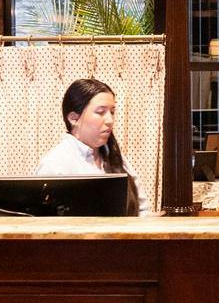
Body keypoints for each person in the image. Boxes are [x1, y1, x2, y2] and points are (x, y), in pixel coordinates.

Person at [36, 77, 144, 214]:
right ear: (73, 118)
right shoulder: (55, 164)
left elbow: (142, 209)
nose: (110, 120)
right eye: (100, 112)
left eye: (112, 112)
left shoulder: (117, 158)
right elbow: (42, 224)